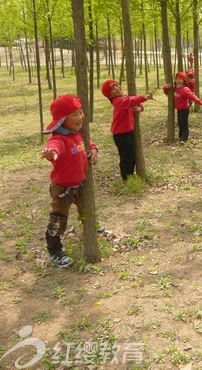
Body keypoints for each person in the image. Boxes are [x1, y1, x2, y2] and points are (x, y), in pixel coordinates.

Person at [41, 95, 99, 267]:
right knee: (58, 219)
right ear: (62, 120)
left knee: (86, 208)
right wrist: (51, 154)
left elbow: (87, 142)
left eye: (81, 112)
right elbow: (53, 147)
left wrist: (94, 149)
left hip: (81, 185)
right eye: (74, 114)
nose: (80, 117)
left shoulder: (77, 133)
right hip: (63, 189)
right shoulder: (58, 138)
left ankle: (92, 227)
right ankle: (55, 250)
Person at [101, 79, 156, 180]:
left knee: (132, 155)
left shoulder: (123, 97)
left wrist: (140, 108)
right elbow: (130, 101)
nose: (118, 88)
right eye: (113, 88)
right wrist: (145, 97)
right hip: (121, 135)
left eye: (118, 85)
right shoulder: (118, 102)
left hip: (128, 132)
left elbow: (133, 100)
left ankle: (131, 175)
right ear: (109, 95)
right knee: (127, 157)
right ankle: (127, 178)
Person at [163, 72, 202, 143]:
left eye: (180, 79)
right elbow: (166, 92)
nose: (178, 81)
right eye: (177, 79)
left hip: (184, 110)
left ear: (184, 81)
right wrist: (165, 87)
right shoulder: (174, 89)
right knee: (180, 123)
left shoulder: (185, 89)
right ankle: (180, 136)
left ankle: (185, 139)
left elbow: (192, 96)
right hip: (179, 110)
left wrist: (199, 102)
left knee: (184, 124)